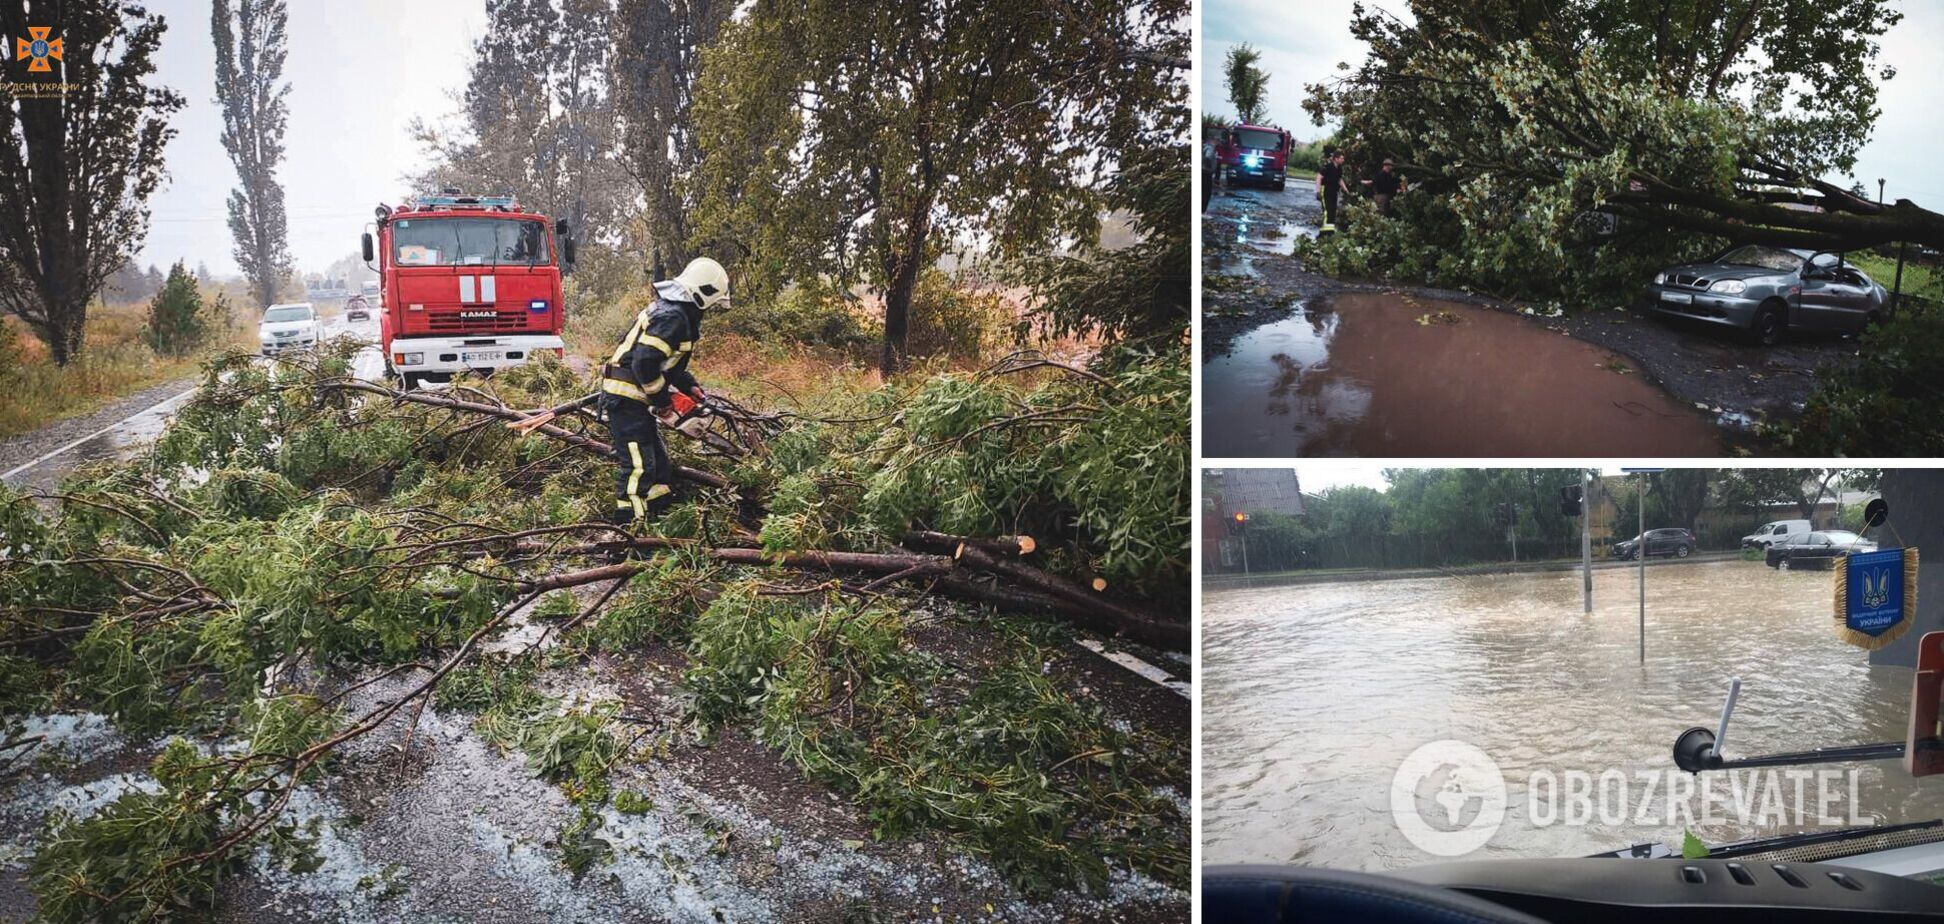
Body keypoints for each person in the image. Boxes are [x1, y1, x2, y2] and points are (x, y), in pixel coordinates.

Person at [599, 256, 730, 525]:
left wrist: (690, 386)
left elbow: (668, 365)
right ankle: (629, 530)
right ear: (702, 294)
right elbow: (644, 362)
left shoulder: (674, 313)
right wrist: (663, 402)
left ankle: (662, 512)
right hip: (626, 399)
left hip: (634, 400)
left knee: (658, 464)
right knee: (638, 466)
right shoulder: (673, 317)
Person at [1316, 150, 1350, 231]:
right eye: (1341, 158)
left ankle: (1329, 231)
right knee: (1327, 212)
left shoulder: (1339, 168)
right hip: (1326, 191)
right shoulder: (1328, 166)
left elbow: (1339, 180)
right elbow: (1318, 177)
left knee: (1333, 212)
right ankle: (1324, 233)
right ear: (1336, 159)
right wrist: (1317, 191)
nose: (1343, 160)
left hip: (1334, 192)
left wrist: (1346, 190)